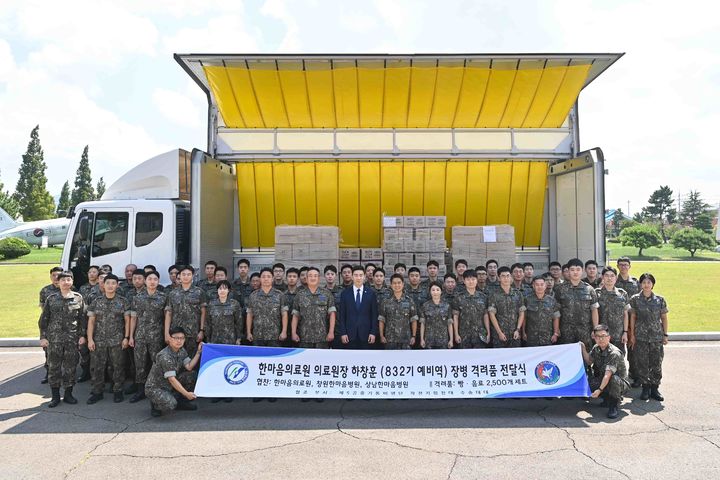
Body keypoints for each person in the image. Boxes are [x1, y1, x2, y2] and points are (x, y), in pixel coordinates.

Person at [38, 270, 86, 407]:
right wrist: (43, 337)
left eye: (68, 280)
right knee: (54, 368)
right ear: (58, 283)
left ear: (72, 282)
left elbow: (82, 318)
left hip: (72, 340)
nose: (66, 282)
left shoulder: (78, 298)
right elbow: (44, 320)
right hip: (54, 340)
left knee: (70, 368)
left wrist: (82, 335)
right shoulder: (51, 298)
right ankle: (55, 397)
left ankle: (69, 394)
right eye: (63, 280)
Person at [86, 274, 131, 404]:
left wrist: (126, 337)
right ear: (103, 285)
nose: (110, 286)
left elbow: (127, 321)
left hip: (117, 340)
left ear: (117, 285)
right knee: (97, 367)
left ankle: (118, 391)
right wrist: (90, 339)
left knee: (118, 366)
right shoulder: (96, 301)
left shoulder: (123, 301)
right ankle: (97, 392)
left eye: (113, 283)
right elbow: (91, 322)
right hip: (98, 340)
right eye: (108, 283)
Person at [127, 270, 167, 403]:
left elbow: (167, 317)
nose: (152, 281)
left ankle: (156, 389)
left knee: (156, 364)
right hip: (140, 336)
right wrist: (131, 336)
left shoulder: (163, 297)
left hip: (156, 336)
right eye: (149, 279)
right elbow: (133, 318)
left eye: (155, 279)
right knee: (140, 364)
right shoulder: (137, 297)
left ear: (158, 281)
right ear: (145, 281)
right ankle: (140, 390)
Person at [145, 327, 202, 417]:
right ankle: (155, 404)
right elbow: (172, 379)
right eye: (176, 338)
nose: (179, 341)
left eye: (182, 338)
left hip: (169, 384)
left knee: (192, 375)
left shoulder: (181, 350)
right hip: (156, 387)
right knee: (171, 404)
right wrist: (187, 394)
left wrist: (198, 352)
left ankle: (181, 402)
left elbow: (189, 367)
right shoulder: (164, 356)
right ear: (170, 339)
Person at [629, 273, 669, 402]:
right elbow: (633, 317)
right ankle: (645, 388)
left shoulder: (660, 299)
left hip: (656, 336)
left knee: (656, 363)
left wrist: (665, 334)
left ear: (652, 284)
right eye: (644, 282)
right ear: (640, 284)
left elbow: (664, 318)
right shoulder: (635, 299)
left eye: (649, 282)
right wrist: (632, 335)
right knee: (642, 363)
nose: (646, 285)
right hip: (641, 336)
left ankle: (655, 388)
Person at [579, 324, 630, 419]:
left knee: (613, 379)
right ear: (594, 338)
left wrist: (599, 390)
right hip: (604, 379)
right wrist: (582, 348)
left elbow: (608, 375)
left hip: (619, 383)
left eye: (603, 336)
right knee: (588, 384)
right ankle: (607, 399)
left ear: (609, 337)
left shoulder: (614, 353)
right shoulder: (596, 348)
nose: (601, 339)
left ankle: (613, 405)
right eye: (597, 337)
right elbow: (589, 361)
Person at [554, 258, 599, 350]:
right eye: (572, 270)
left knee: (585, 357)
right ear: (568, 271)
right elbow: (556, 311)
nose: (575, 272)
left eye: (578, 270)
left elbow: (594, 311)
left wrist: (595, 329)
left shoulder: (589, 289)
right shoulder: (560, 289)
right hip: (566, 331)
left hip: (584, 330)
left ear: (582, 271)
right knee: (567, 357)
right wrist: (557, 329)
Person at [164, 265, 207, 358]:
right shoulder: (173, 293)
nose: (186, 276)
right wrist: (166, 333)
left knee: (193, 360)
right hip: (176, 334)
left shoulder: (199, 292)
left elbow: (203, 312)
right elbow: (169, 313)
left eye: (188, 274)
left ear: (192, 276)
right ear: (179, 276)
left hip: (193, 333)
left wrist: (202, 330)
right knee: (176, 359)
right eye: (183, 274)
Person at [291, 267, 336, 349]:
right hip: (304, 337)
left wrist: (331, 332)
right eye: (310, 276)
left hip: (322, 337)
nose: (313, 278)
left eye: (315, 276)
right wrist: (293, 333)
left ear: (319, 279)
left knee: (321, 361)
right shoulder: (300, 295)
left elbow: (332, 314)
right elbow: (295, 315)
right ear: (307, 279)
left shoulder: (327, 294)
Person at [338, 265, 378, 350]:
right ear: (352, 276)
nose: (358, 278)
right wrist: (343, 333)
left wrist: (373, 332)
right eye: (356, 275)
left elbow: (374, 315)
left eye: (360, 275)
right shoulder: (345, 294)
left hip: (366, 335)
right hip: (349, 335)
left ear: (364, 277)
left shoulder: (371, 293)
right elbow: (342, 315)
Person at [616, 256, 640, 386]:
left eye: (626, 265)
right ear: (618, 266)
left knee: (633, 349)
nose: (624, 267)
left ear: (629, 266)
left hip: (633, 320)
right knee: (619, 349)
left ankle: (635, 375)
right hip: (618, 320)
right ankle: (620, 376)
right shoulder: (614, 281)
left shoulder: (635, 282)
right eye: (621, 265)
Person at [246, 268, 285, 347]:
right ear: (260, 279)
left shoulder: (279, 295)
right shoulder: (253, 295)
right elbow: (250, 314)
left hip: (274, 335)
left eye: (268, 276)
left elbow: (284, 314)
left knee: (274, 358)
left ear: (272, 278)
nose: (266, 279)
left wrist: (284, 331)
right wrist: (248, 332)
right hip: (257, 335)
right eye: (263, 277)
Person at [488, 266, 525, 348]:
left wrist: (518, 330)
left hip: (515, 334)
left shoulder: (518, 294)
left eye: (508, 276)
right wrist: (499, 332)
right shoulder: (493, 294)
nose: (506, 278)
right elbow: (491, 314)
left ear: (511, 277)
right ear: (498, 278)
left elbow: (521, 313)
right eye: (503, 276)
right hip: (499, 335)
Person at [38, 266, 64, 384]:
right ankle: (49, 374)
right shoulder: (45, 291)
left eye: (58, 275)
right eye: (53, 275)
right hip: (50, 325)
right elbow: (43, 310)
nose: (56, 277)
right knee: (48, 351)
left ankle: (64, 374)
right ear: (50, 277)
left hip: (66, 326)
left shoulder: (69, 288)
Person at [378, 274, 418, 350]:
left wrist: (413, 336)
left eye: (399, 283)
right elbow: (381, 320)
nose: (397, 285)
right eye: (394, 283)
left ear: (403, 284)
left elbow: (414, 320)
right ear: (391, 285)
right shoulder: (386, 301)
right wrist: (381, 336)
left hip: (406, 339)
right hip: (390, 339)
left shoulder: (409, 301)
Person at [452, 270, 490, 349]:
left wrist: (488, 332)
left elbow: (485, 316)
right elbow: (455, 317)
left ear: (476, 281)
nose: (471, 282)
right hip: (464, 334)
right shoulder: (458, 297)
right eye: (468, 279)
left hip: (480, 335)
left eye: (473, 279)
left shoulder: (483, 297)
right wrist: (456, 334)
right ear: (464, 281)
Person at [596, 267, 629, 354]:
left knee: (618, 360)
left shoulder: (622, 294)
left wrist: (625, 332)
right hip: (601, 336)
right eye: (606, 276)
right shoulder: (596, 293)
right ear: (602, 277)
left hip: (618, 335)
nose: (609, 278)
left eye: (612, 276)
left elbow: (625, 314)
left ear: (616, 278)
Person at [523, 275, 561, 347]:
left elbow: (556, 318)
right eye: (537, 285)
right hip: (531, 337)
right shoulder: (527, 300)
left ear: (545, 285)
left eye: (541, 284)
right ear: (533, 286)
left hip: (547, 337)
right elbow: (524, 318)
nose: (539, 287)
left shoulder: (552, 300)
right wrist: (523, 332)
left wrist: (555, 333)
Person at [419, 282, 453, 349]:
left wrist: (451, 340)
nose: (435, 292)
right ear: (430, 292)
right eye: (433, 290)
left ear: (441, 292)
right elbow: (423, 324)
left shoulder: (447, 306)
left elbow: (449, 324)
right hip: (429, 340)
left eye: (437, 290)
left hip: (443, 340)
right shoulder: (425, 306)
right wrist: (422, 339)